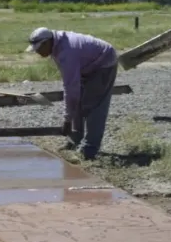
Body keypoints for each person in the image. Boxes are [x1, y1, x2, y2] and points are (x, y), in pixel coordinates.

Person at [26, 27, 118, 160]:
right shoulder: (57, 45)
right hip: (87, 64)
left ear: (47, 42)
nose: (38, 53)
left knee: (93, 106)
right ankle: (75, 141)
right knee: (78, 102)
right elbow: (73, 91)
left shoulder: (67, 52)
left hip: (104, 63)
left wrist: (67, 120)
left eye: (39, 48)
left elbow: (71, 90)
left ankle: (89, 150)